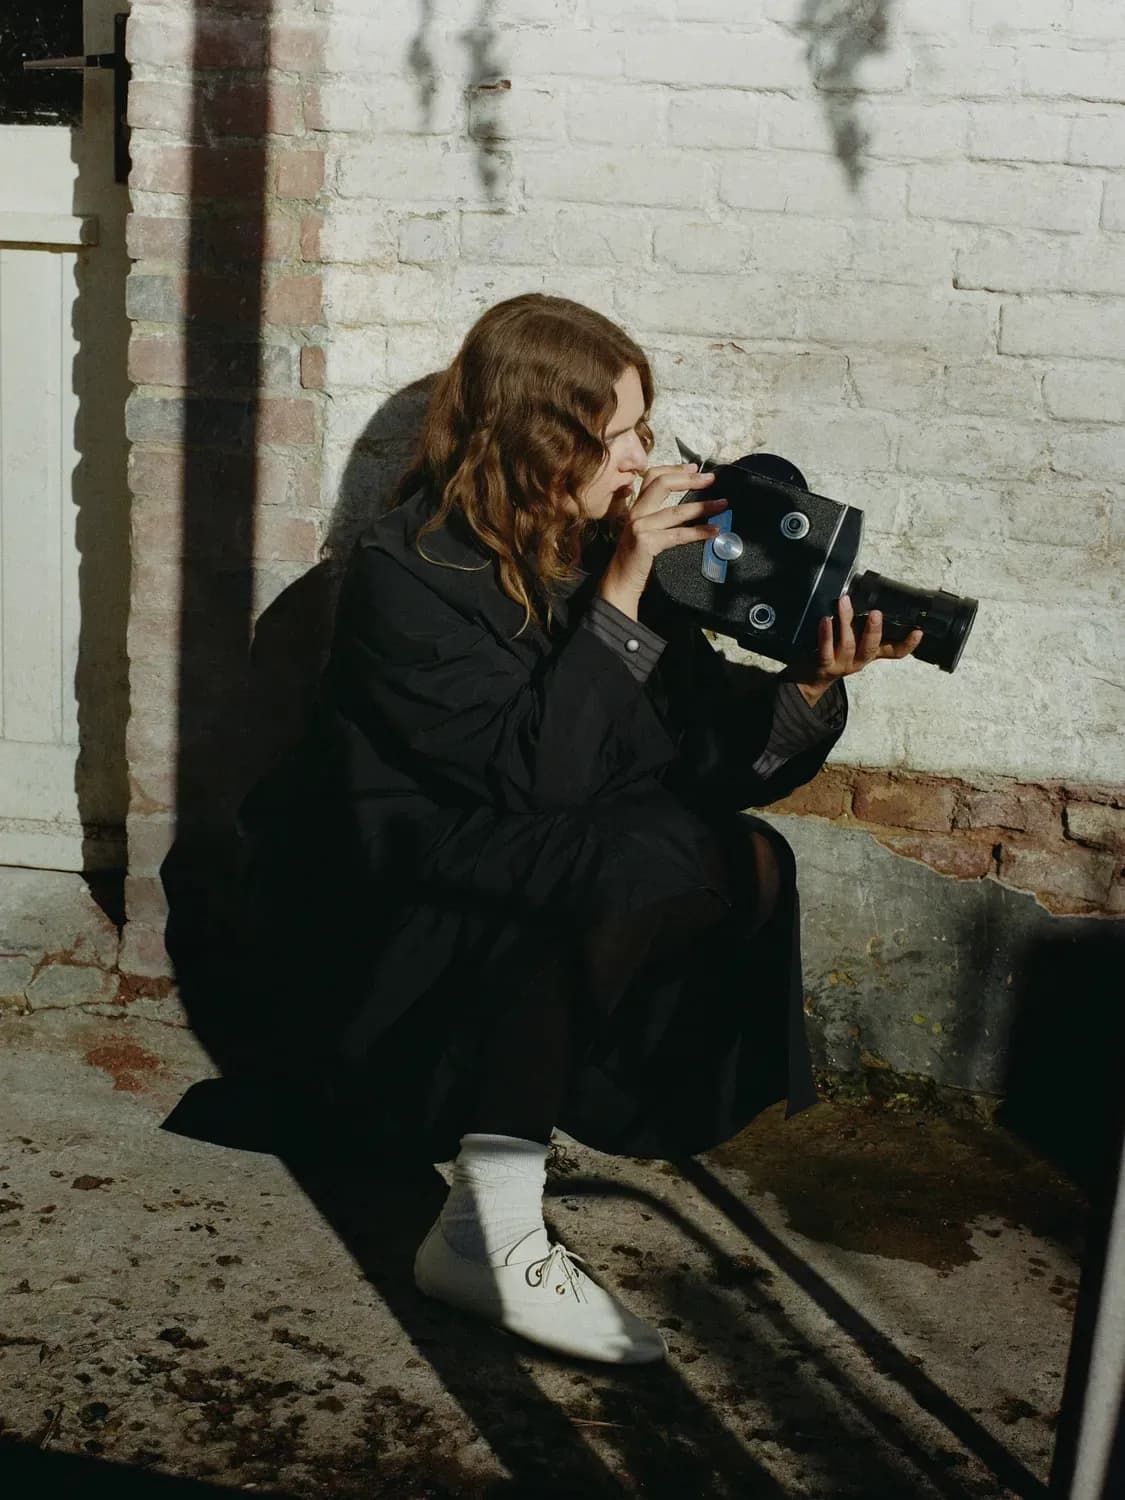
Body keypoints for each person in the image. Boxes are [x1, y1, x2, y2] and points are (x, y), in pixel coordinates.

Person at [238, 293, 923, 1366]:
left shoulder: (585, 557)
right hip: (403, 911)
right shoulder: (406, 573)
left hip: (523, 865)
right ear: (539, 442)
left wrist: (809, 684)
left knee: (745, 860)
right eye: (623, 437)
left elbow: (714, 761)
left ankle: (568, 1090)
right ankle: (485, 1228)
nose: (645, 460)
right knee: (628, 854)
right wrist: (624, 584)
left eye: (646, 429)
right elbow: (536, 779)